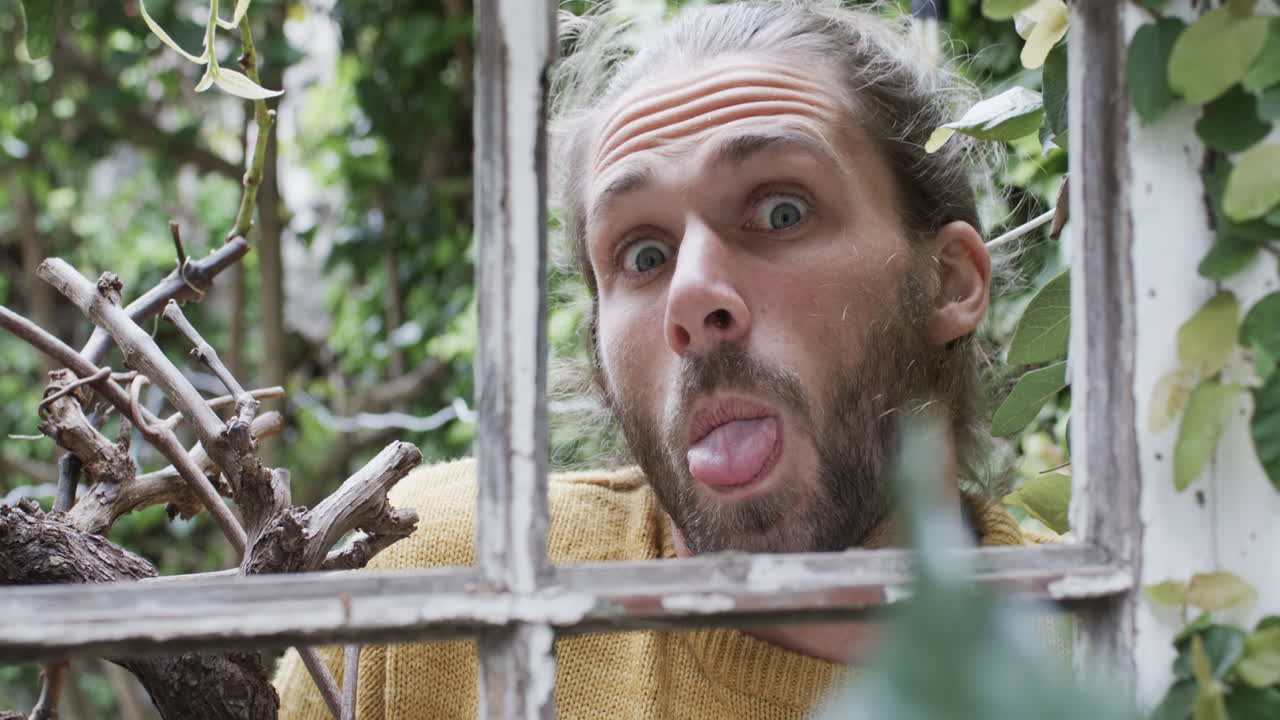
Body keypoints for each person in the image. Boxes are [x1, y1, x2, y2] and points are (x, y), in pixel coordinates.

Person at [276, 2, 1040, 717]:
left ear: (949, 281)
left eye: (782, 211)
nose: (691, 295)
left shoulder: (1124, 644)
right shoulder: (430, 592)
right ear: (605, 365)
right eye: (643, 254)